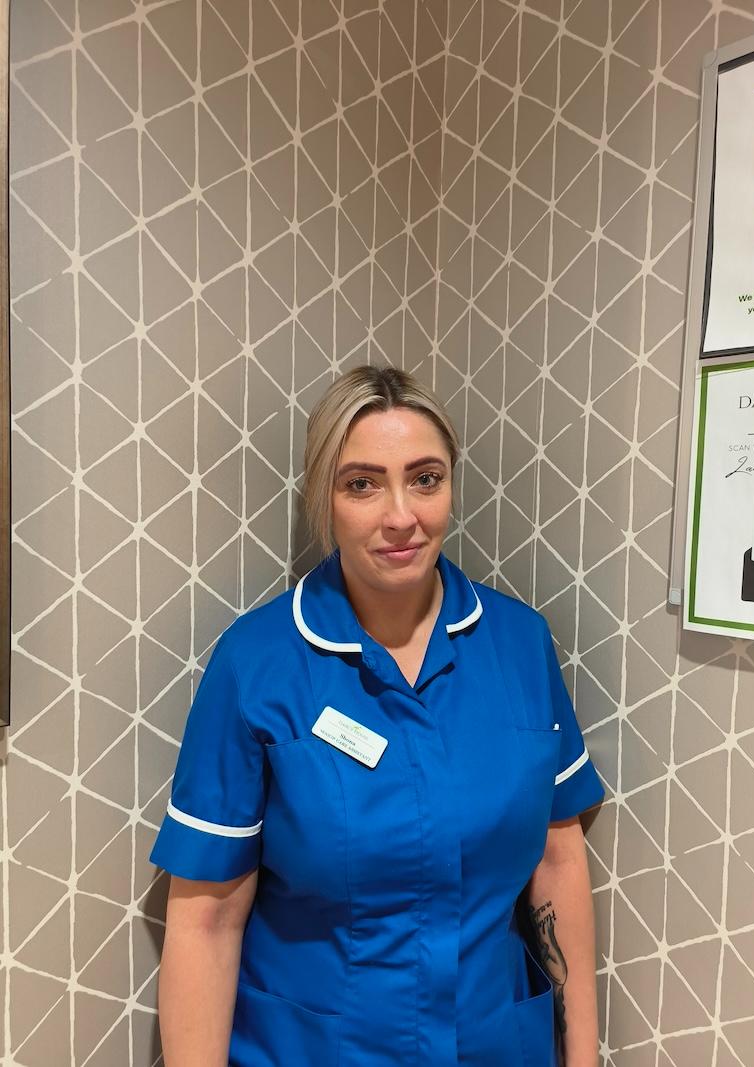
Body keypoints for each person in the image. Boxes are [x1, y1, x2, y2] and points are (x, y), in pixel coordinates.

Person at [151, 365, 605, 1066]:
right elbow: (206, 919)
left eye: (425, 478)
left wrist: (581, 1055)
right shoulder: (259, 661)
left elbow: (557, 856)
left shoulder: (520, 643)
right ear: (324, 496)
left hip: (495, 1046)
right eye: (362, 483)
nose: (401, 515)